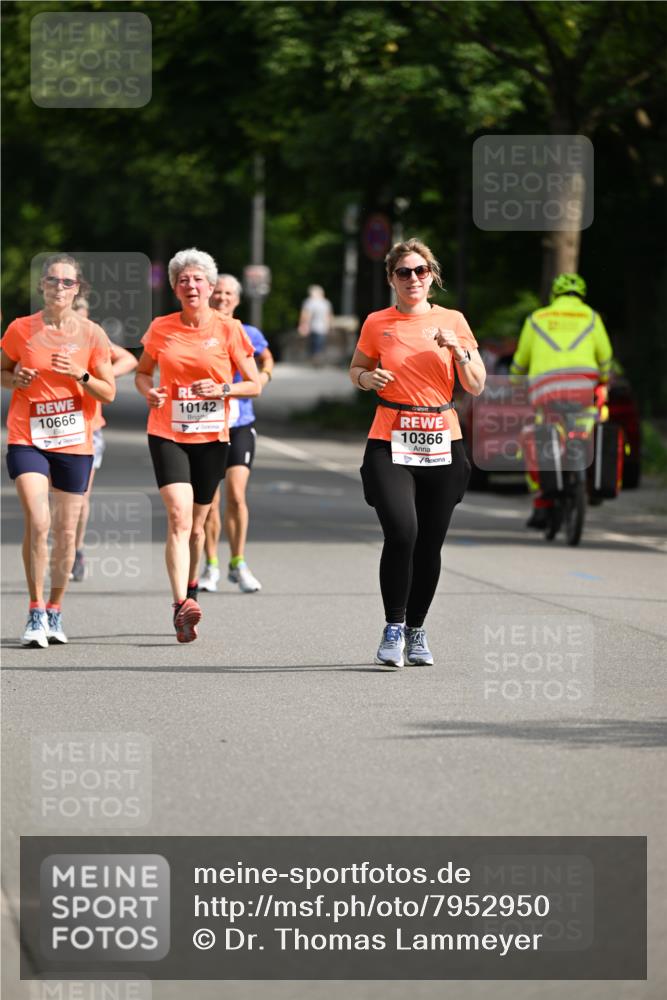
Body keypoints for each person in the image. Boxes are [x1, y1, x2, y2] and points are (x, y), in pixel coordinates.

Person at [349, 238, 485, 669]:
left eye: (420, 271)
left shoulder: (453, 320)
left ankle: (417, 630)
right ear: (391, 278)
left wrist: (458, 351)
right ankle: (393, 627)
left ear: (432, 276)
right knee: (402, 532)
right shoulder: (377, 322)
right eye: (404, 272)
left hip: (442, 439)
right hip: (390, 438)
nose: (413, 279)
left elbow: (477, 384)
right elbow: (356, 369)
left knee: (429, 544)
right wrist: (368, 379)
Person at [134, 248, 261, 643]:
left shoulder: (229, 329)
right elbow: (141, 373)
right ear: (175, 288)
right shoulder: (160, 328)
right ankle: (179, 605)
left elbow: (253, 383)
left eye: (198, 279)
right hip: (167, 431)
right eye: (183, 280)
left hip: (212, 435)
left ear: (210, 286)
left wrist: (223, 388)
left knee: (199, 526)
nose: (191, 285)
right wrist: (148, 392)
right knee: (178, 517)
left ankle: (190, 588)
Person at [0, 255, 115, 647]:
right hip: (27, 437)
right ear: (42, 287)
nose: (60, 288)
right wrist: (14, 377)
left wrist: (80, 375)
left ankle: (54, 610)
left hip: (74, 442)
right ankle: (34, 611)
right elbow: (1, 371)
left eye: (68, 282)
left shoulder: (93, 334)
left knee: (66, 533)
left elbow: (109, 391)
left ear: (78, 289)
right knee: (38, 519)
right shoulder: (20, 329)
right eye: (53, 280)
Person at [509, 272, 614, 529]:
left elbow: (520, 362)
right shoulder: (591, 317)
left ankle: (543, 502)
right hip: (583, 389)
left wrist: (514, 381)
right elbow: (606, 357)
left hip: (547, 393)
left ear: (554, 296)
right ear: (582, 296)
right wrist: (603, 379)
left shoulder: (536, 319)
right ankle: (590, 480)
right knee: (589, 428)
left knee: (537, 438)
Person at [199, 274, 274, 594]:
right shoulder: (198, 331)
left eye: (228, 293)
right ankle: (211, 565)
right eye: (217, 292)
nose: (222, 297)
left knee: (237, 495)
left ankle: (238, 562)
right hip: (205, 425)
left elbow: (266, 358)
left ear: (237, 299)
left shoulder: (249, 332)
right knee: (210, 501)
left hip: (240, 422)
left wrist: (264, 377)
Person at [69, 296, 139, 581]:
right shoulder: (44, 335)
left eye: (81, 311)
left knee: (80, 496)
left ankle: (76, 550)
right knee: (53, 497)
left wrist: (98, 376)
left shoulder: (92, 336)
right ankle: (60, 544)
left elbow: (129, 359)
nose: (77, 316)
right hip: (47, 429)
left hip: (87, 427)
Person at [298, 284, 332, 364]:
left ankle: (315, 357)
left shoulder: (309, 302)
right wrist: (329, 326)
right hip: (322, 328)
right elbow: (328, 316)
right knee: (319, 343)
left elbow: (305, 315)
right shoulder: (326, 303)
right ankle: (317, 357)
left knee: (313, 344)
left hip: (312, 327)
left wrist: (303, 325)